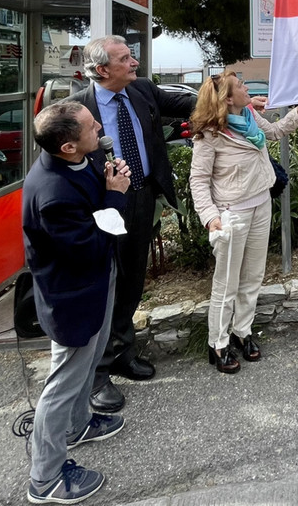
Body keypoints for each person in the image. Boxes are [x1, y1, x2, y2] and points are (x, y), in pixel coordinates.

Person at [69, 36, 196, 413]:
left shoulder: (141, 90)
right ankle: (97, 375)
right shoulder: (76, 109)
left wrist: (232, 99)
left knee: (131, 282)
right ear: (103, 70)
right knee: (103, 286)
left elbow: (188, 102)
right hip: (101, 207)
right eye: (126, 58)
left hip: (140, 197)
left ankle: (124, 353)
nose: (135, 63)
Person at [23, 102, 131, 503]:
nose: (99, 127)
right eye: (90, 126)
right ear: (67, 146)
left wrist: (107, 183)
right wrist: (116, 196)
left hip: (96, 282)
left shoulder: (77, 159)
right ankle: (45, 477)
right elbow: (87, 246)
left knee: (90, 356)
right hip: (74, 296)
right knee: (62, 384)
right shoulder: (53, 195)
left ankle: (78, 425)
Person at [189, 73, 298, 373]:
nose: (247, 89)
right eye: (241, 86)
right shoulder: (209, 135)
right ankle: (218, 342)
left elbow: (275, 131)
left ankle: (242, 331)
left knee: (253, 276)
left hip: (260, 204)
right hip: (231, 216)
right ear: (228, 98)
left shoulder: (251, 116)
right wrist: (210, 218)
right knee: (226, 283)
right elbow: (199, 180)